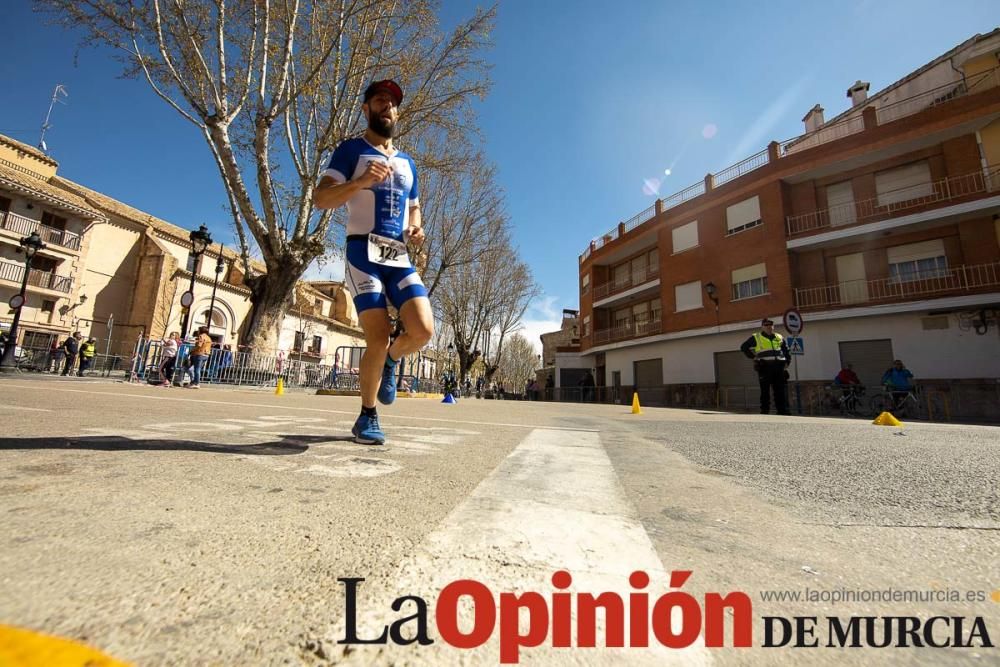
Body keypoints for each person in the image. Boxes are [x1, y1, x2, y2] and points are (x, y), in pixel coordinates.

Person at [313, 79, 433, 445]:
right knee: (377, 335)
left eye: (393, 103)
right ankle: (367, 416)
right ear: (366, 109)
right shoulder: (351, 151)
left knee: (423, 330)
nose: (387, 107)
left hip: (397, 255)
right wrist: (362, 181)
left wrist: (416, 229)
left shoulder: (408, 163)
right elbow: (321, 197)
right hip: (362, 252)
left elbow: (414, 210)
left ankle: (393, 361)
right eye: (380, 100)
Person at [740, 318, 791, 415]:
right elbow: (744, 347)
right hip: (765, 367)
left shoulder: (779, 337)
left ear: (773, 326)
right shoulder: (756, 337)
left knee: (779, 390)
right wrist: (753, 357)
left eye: (770, 325)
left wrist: (787, 362)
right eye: (766, 325)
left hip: (779, 367)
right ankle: (765, 411)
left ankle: (782, 411)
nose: (769, 327)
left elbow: (786, 350)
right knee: (765, 390)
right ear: (762, 327)